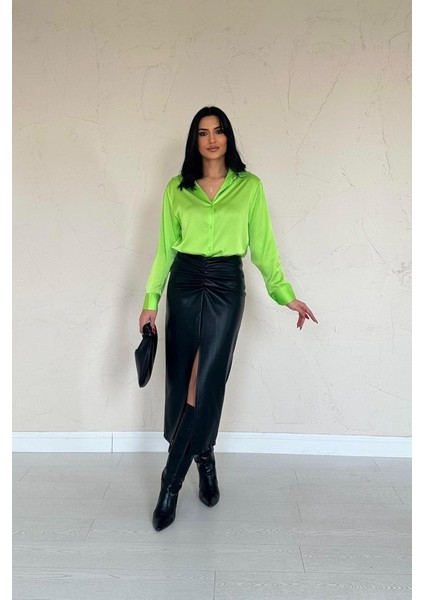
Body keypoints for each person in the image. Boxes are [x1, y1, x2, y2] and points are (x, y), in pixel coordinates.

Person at [139, 106, 318, 531]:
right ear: (195, 140)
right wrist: (151, 299)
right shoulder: (176, 189)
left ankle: (169, 485)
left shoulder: (249, 187)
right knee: (182, 381)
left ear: (228, 137)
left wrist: (285, 295)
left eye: (218, 131)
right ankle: (205, 457)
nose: (211, 139)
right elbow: (164, 249)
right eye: (203, 132)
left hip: (225, 286)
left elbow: (264, 247)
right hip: (184, 283)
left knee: (205, 380)